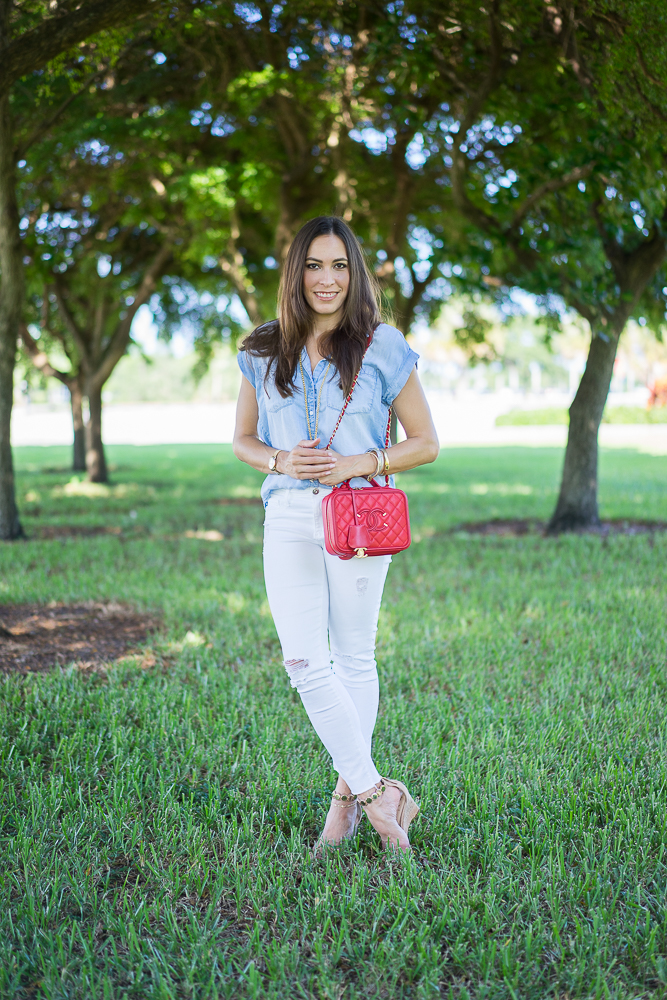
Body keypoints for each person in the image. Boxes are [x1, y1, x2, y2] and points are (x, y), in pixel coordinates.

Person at [233, 216, 439, 852]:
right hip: (290, 517)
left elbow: (426, 443)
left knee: (354, 657)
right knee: (304, 661)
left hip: (357, 518)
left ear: (355, 275)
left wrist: (357, 463)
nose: (327, 279)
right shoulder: (263, 350)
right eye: (314, 266)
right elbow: (242, 440)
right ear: (296, 273)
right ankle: (381, 796)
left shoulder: (382, 346)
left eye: (339, 266)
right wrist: (280, 460)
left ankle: (341, 811)